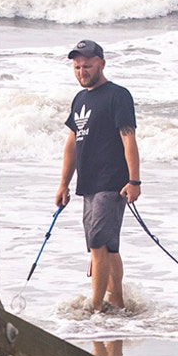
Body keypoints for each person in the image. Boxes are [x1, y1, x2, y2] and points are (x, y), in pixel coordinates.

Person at [53, 39, 140, 312]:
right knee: (108, 247)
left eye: (87, 66)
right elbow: (71, 143)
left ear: (101, 63)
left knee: (98, 243)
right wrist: (63, 184)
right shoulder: (80, 99)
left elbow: (129, 138)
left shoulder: (118, 95)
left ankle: (96, 309)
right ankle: (117, 303)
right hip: (88, 184)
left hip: (112, 182)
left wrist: (134, 180)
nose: (82, 71)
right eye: (77, 67)